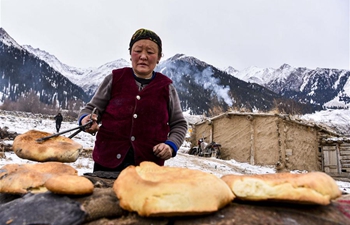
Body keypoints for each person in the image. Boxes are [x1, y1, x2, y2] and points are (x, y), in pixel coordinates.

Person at [78, 28, 188, 172]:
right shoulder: (114, 79)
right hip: (107, 164)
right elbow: (90, 110)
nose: (143, 56)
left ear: (159, 57)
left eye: (150, 52)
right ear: (130, 54)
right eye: (138, 51)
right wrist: (86, 120)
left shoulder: (166, 87)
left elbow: (179, 124)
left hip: (148, 167)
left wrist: (171, 145)